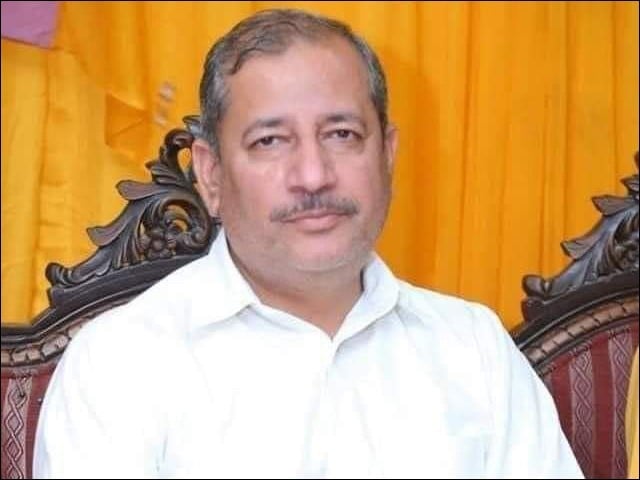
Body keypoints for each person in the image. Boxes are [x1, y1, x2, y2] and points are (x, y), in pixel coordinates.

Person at [33, 8, 583, 479]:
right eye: (270, 141)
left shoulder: (473, 349)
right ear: (211, 174)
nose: (314, 175)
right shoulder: (120, 365)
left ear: (387, 155)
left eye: (341, 134)